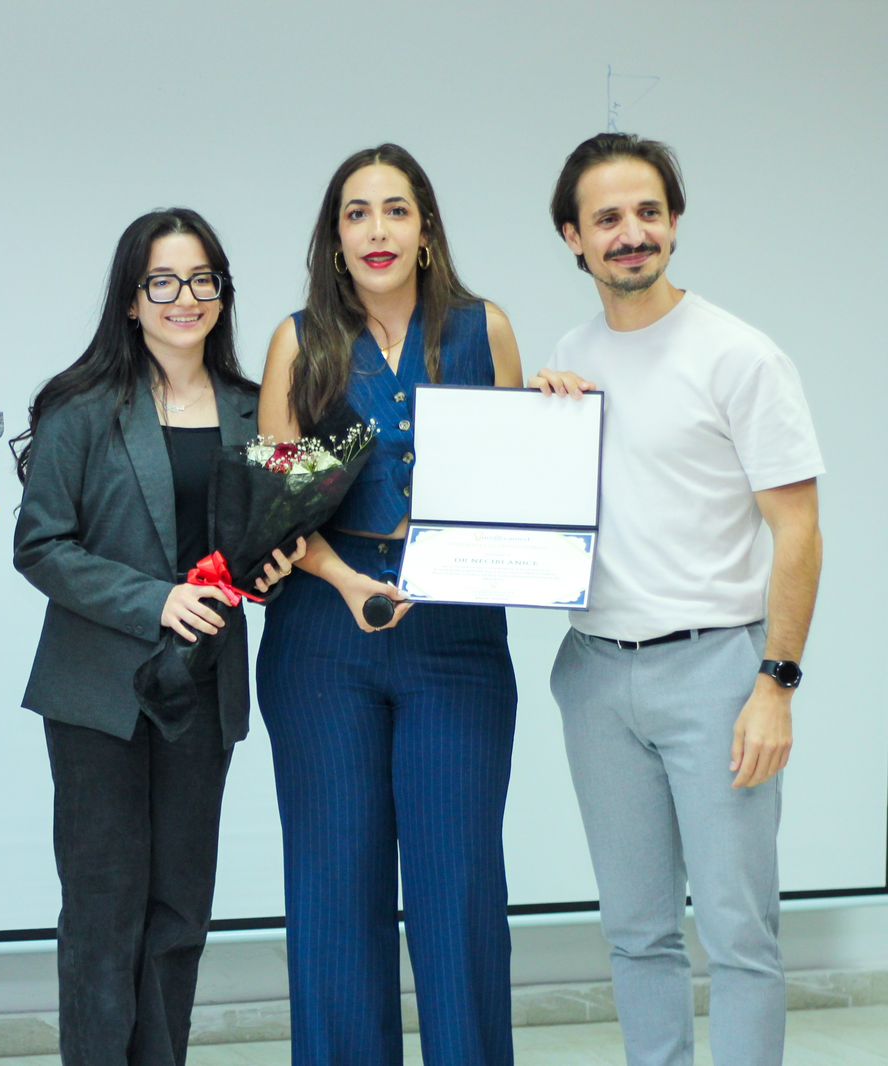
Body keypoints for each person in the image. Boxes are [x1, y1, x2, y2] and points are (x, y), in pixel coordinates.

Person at [531, 133, 823, 1066]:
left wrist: (776, 684)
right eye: (608, 218)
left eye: (649, 212)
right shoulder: (568, 357)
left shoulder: (739, 356)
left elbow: (799, 531)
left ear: (675, 222)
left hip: (719, 676)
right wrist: (535, 419)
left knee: (739, 934)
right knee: (636, 932)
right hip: (595, 675)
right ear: (573, 237)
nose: (632, 233)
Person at [254, 144, 524, 1066]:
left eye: (396, 210)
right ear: (335, 239)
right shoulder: (298, 341)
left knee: (461, 893)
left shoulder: (485, 328)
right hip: (323, 638)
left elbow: (520, 484)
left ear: (426, 229)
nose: (378, 230)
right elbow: (277, 507)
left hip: (457, 638)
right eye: (357, 213)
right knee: (335, 897)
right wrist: (347, 581)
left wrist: (559, 409)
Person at [12, 207, 300, 1066]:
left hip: (203, 690)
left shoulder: (254, 410)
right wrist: (156, 601)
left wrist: (274, 566)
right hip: (97, 693)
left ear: (223, 294)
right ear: (132, 300)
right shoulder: (79, 408)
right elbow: (40, 546)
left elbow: (259, 544)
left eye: (202, 279)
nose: (185, 297)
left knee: (180, 912)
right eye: (163, 281)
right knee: (103, 914)